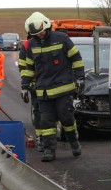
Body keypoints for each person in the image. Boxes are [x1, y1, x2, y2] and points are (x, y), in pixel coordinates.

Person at [21, 12, 85, 162]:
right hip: (43, 91)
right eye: (36, 34)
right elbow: (28, 68)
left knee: (66, 118)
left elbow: (76, 58)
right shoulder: (32, 45)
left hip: (63, 89)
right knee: (46, 122)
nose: (40, 35)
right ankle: (49, 150)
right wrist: (24, 86)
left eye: (41, 32)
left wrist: (80, 78)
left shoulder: (61, 39)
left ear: (47, 26)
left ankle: (74, 142)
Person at [18, 33, 44, 152]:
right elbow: (23, 68)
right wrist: (25, 85)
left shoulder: (48, 41)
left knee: (41, 111)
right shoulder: (27, 45)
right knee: (39, 110)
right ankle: (41, 137)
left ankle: (44, 137)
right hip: (36, 85)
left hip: (46, 83)